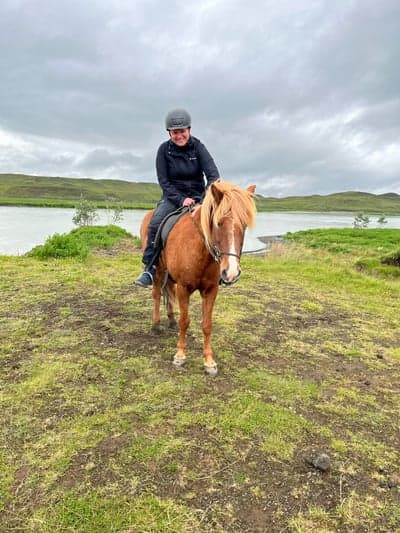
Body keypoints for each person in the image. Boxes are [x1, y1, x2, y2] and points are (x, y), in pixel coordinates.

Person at [135, 108, 220, 287]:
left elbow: (213, 176)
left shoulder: (198, 147)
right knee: (155, 223)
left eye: (182, 131)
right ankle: (149, 268)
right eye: (175, 132)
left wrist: (203, 201)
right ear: (169, 133)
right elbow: (164, 182)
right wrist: (181, 200)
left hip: (199, 196)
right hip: (173, 197)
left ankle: (221, 267)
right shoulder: (163, 150)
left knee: (219, 223)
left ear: (189, 130)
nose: (179, 135)